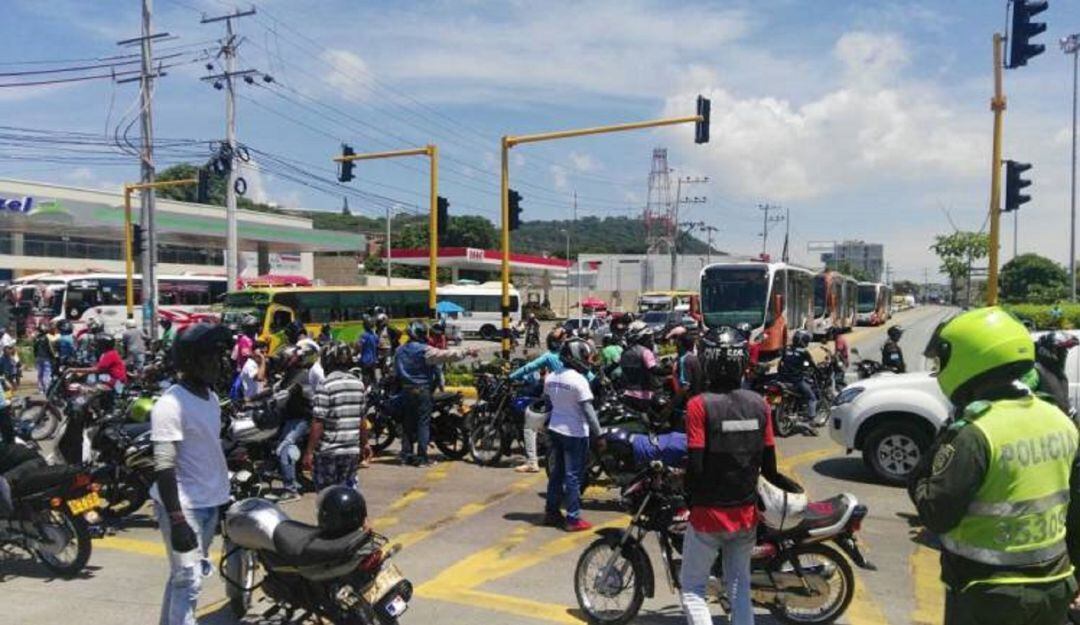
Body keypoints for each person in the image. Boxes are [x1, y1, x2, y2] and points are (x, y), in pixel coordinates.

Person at [909, 307, 1080, 625]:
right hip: (1055, 586)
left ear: (967, 359)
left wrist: (927, 463)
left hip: (988, 594)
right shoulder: (1060, 420)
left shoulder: (975, 433)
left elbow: (936, 513)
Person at [681, 330, 781, 625]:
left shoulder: (698, 405)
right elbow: (770, 467)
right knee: (739, 587)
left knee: (693, 589)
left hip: (708, 515)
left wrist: (688, 494)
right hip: (745, 514)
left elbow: (696, 465)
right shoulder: (760, 404)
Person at [150, 323, 232, 625]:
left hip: (208, 502)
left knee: (183, 577)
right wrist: (177, 519)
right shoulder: (170, 404)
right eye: (211, 357)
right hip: (183, 507)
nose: (218, 363)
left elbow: (207, 448)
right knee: (189, 579)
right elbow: (164, 465)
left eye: (219, 357)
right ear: (190, 361)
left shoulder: (210, 398)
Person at [394, 321, 477, 467]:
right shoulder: (424, 350)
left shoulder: (399, 351)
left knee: (407, 423)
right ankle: (422, 457)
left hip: (406, 390)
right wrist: (466, 351)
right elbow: (446, 355)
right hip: (422, 390)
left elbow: (394, 371)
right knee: (423, 423)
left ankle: (406, 455)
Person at [543, 338, 604, 532]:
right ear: (576, 356)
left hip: (555, 429)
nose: (587, 360)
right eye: (584, 356)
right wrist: (599, 434)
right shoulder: (579, 380)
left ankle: (551, 512)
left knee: (557, 473)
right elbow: (588, 411)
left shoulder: (551, 377)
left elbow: (549, 403)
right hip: (575, 433)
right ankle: (573, 518)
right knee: (573, 477)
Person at [302, 341, 370, 490]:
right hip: (351, 450)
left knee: (327, 494)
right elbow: (362, 419)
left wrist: (309, 452)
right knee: (347, 491)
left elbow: (318, 421)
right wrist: (364, 443)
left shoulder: (325, 385)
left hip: (329, 451)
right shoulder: (358, 384)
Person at [508, 329, 568, 473]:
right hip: (573, 400)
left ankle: (531, 462)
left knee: (530, 425)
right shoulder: (570, 357)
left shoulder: (550, 356)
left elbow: (529, 367)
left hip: (557, 399)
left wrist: (511, 377)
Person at [1021, 331, 1078, 416]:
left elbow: (1060, 397)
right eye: (1059, 350)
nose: (1063, 354)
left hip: (1060, 420)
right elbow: (1021, 399)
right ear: (1046, 351)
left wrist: (1069, 408)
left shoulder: (1059, 374)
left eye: (1064, 351)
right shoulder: (1035, 371)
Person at [619, 321, 661, 412]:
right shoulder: (645, 352)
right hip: (644, 395)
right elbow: (654, 370)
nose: (651, 340)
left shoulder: (625, 352)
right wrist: (671, 369)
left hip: (628, 394)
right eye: (649, 337)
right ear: (642, 337)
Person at [778, 329, 817, 424]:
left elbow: (781, 363)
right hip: (796, 381)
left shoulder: (786, 349)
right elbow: (813, 365)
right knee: (812, 397)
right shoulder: (804, 353)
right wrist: (818, 372)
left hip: (782, 378)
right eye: (806, 340)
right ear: (802, 341)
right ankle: (811, 418)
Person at [357, 317, 379, 387]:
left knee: (365, 380)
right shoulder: (375, 336)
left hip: (365, 361)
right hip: (373, 360)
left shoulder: (363, 335)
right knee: (373, 379)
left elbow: (359, 346)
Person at [32, 323, 53, 395]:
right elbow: (50, 349)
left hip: (38, 358)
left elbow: (34, 348)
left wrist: (35, 356)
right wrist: (53, 357)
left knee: (40, 374)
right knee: (46, 374)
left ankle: (41, 389)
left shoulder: (37, 338)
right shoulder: (47, 337)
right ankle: (47, 389)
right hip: (46, 358)